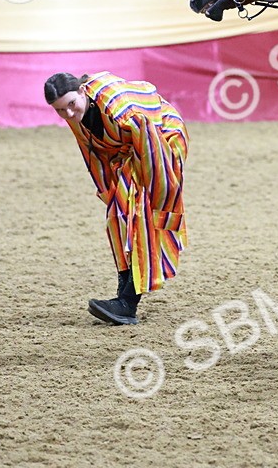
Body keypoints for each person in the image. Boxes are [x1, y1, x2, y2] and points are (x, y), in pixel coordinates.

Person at [44, 71, 190, 325]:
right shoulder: (74, 112)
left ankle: (128, 302)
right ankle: (123, 294)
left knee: (142, 216)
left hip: (162, 137)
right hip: (129, 148)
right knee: (117, 213)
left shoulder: (125, 113)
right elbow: (92, 153)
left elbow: (154, 157)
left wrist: (160, 204)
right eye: (60, 110)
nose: (68, 113)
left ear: (82, 91)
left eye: (71, 104)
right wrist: (109, 192)